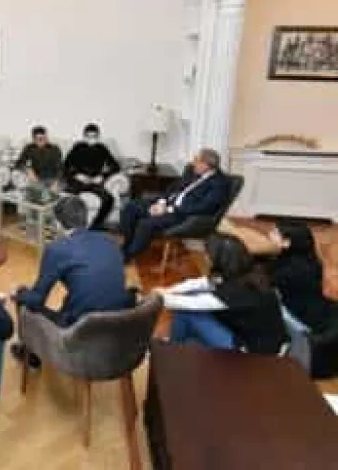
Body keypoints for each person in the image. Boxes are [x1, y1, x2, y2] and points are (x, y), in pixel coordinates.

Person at [10, 196, 131, 367]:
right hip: (118, 325)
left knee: (24, 298)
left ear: (58, 224)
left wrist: (18, 294)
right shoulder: (110, 240)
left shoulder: (57, 249)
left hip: (80, 330)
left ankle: (31, 354)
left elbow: (37, 300)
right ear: (86, 218)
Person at [157, 234, 290, 355]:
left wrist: (158, 297)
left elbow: (189, 303)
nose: (205, 257)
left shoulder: (238, 291)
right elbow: (199, 283)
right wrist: (167, 290)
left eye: (207, 254)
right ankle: (178, 343)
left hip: (253, 351)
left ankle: (172, 350)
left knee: (186, 311)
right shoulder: (244, 270)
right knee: (191, 296)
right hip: (248, 333)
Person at [120, 148, 230, 262]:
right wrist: (161, 202)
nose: (193, 163)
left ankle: (128, 255)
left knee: (145, 224)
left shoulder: (219, 184)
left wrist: (168, 209)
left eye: (196, 160)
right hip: (167, 204)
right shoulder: (192, 171)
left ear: (206, 165)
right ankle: (127, 245)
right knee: (130, 207)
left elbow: (204, 207)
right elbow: (173, 187)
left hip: (181, 214)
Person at [268, 221, 338, 334]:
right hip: (316, 309)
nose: (270, 234)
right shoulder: (309, 259)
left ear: (287, 242)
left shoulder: (289, 271)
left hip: (302, 318)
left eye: (275, 232)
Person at [62, 123, 120, 229]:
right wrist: (76, 174)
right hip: (79, 180)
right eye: (88, 136)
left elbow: (116, 166)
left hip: (94, 181)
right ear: (84, 137)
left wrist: (102, 176)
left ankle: (94, 226)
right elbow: (65, 166)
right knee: (67, 197)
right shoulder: (77, 147)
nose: (91, 139)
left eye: (94, 137)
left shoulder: (102, 148)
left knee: (109, 199)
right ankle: (71, 226)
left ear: (98, 137)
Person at [15, 125, 62, 190]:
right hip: (37, 179)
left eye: (44, 138)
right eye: (39, 139)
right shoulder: (29, 148)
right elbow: (19, 163)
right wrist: (28, 170)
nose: (42, 141)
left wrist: (56, 182)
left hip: (52, 180)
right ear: (34, 139)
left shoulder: (55, 149)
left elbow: (60, 168)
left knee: (52, 192)